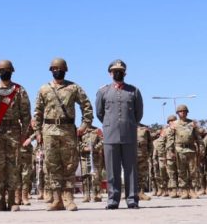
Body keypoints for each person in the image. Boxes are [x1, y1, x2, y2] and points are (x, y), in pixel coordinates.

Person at [33, 57, 94, 211]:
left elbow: (87, 106)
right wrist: (37, 132)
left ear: (65, 70)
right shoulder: (44, 89)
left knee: (69, 164)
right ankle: (56, 199)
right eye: (54, 69)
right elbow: (38, 112)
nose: (56, 71)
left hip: (67, 130)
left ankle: (68, 198)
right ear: (50, 71)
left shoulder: (74, 88)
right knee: (52, 165)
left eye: (59, 68)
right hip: (49, 131)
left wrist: (85, 125)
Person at [0, 58, 31, 211]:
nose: (4, 73)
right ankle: (0, 200)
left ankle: (12, 200)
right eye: (1, 71)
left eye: (7, 70)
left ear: (12, 71)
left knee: (13, 166)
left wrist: (24, 134)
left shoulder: (19, 90)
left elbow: (26, 115)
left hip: (14, 132)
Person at [95, 59, 143, 209]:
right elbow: (99, 112)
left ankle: (132, 199)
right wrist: (110, 124)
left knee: (130, 168)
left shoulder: (133, 91)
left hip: (129, 133)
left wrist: (129, 123)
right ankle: (113, 199)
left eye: (120, 71)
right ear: (110, 73)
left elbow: (138, 113)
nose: (118, 73)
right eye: (115, 71)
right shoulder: (103, 91)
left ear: (125, 73)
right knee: (112, 168)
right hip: (110, 134)